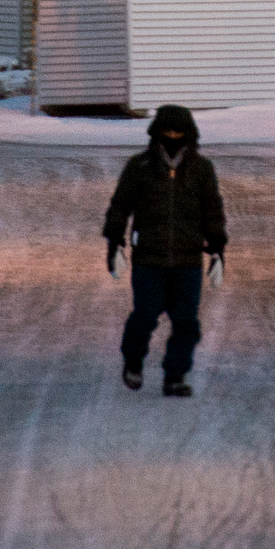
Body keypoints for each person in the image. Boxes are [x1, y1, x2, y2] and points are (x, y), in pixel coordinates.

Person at [101, 103, 224, 398]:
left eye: (178, 131)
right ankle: (133, 361)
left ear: (189, 134)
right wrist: (114, 240)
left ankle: (175, 376)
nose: (172, 136)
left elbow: (213, 210)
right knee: (144, 317)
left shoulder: (201, 169)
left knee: (186, 323)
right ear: (156, 133)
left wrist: (218, 248)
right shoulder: (140, 167)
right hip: (149, 260)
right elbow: (120, 205)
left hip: (187, 260)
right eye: (167, 131)